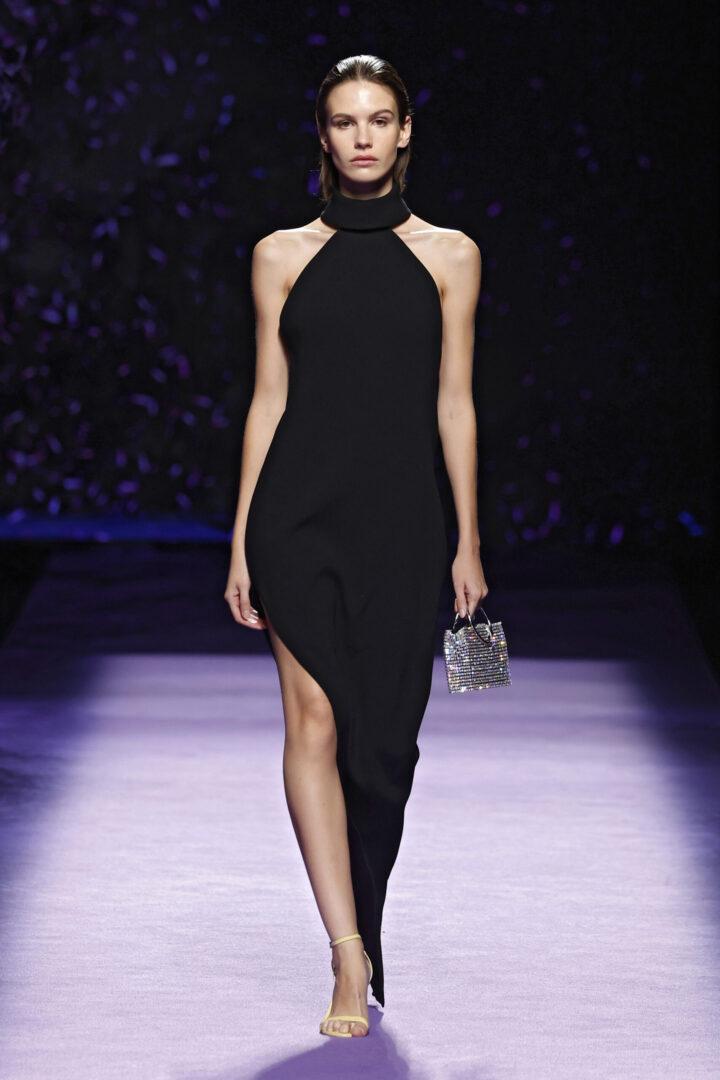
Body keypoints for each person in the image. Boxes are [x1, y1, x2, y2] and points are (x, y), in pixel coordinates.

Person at [225, 54, 487, 1039]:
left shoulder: (450, 255)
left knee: (386, 747)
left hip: (403, 524)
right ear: (324, 137)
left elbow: (455, 402)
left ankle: (364, 926)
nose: (363, 137)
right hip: (295, 518)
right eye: (345, 121)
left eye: (380, 119)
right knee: (314, 720)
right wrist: (242, 540)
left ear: (406, 131)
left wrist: (468, 539)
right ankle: (345, 953)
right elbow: (268, 399)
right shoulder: (280, 255)